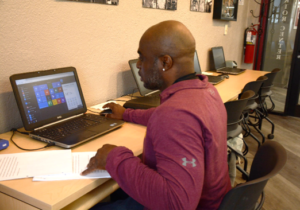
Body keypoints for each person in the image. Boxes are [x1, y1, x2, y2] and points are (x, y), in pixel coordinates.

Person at [82, 20, 231, 210]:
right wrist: (126, 113)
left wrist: (113, 156)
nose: (138, 65)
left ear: (164, 62)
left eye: (142, 58)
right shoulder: (205, 90)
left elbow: (178, 204)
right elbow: (164, 116)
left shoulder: (174, 114)